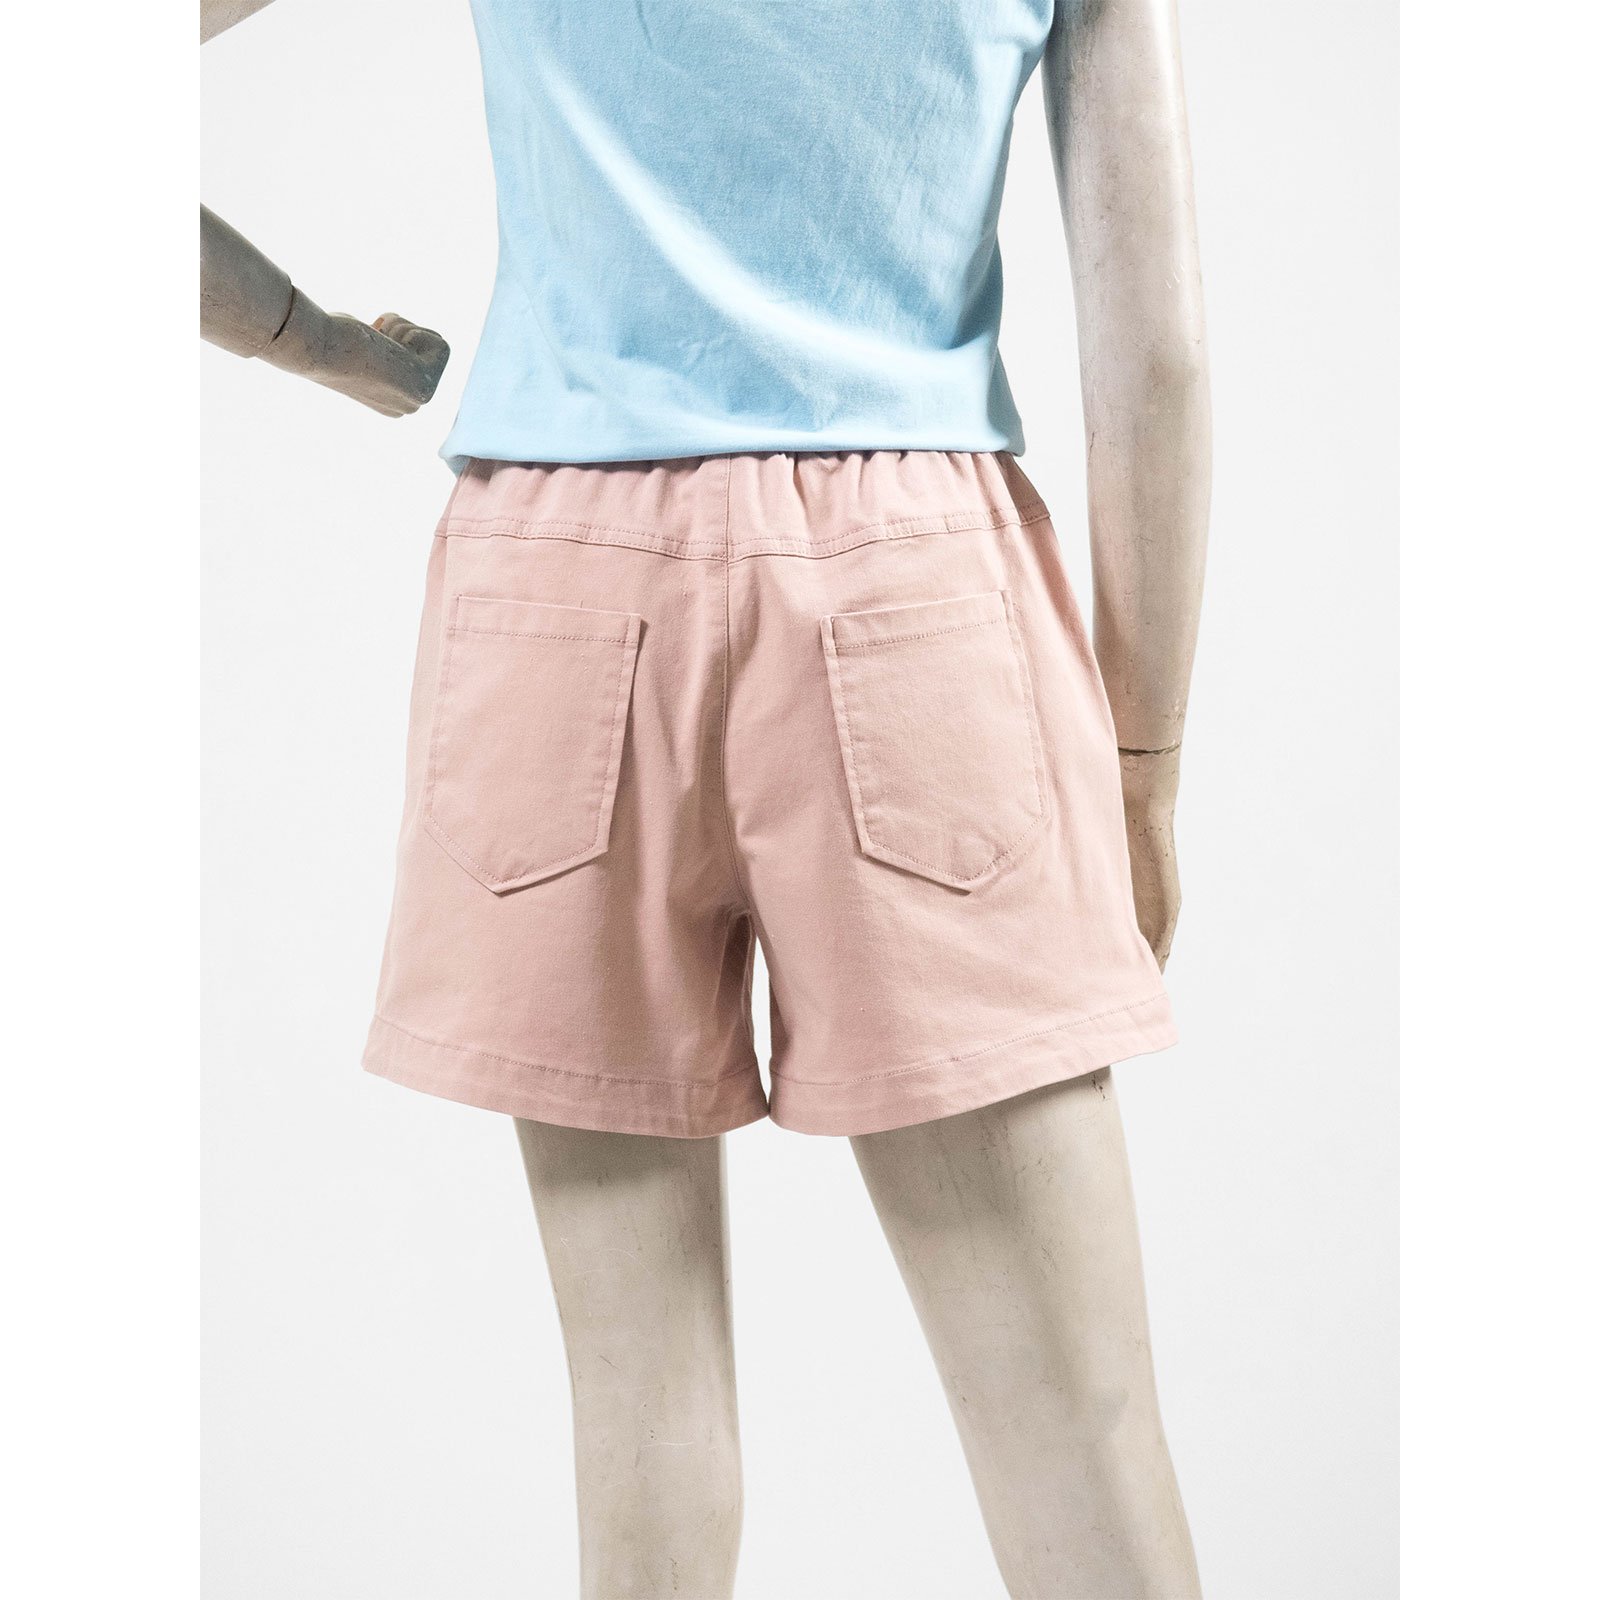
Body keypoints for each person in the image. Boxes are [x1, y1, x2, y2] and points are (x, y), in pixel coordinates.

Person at [203, 1, 1211, 1593]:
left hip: (554, 592)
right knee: (1072, 1418)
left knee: (638, 1410)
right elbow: (1156, 351)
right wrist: (1144, 765)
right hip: (915, 595)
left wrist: (311, 340)